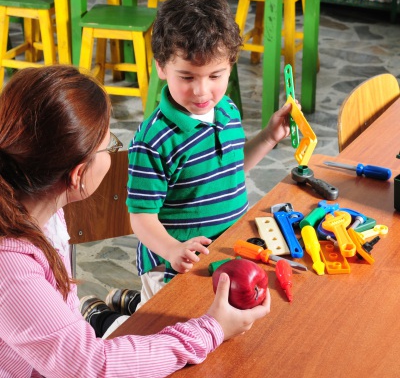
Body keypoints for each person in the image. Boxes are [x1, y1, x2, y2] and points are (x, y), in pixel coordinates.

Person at [0, 65, 270, 377]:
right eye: (107, 146)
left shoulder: (31, 200)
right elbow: (95, 366)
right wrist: (211, 330)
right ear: (77, 176)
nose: (112, 154)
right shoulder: (12, 267)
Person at [126, 0, 294, 305]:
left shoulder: (227, 109)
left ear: (231, 63)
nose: (203, 91)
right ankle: (124, 311)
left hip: (227, 257)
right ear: (161, 67)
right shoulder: (154, 141)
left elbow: (232, 169)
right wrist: (172, 250)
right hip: (173, 270)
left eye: (215, 75)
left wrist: (269, 137)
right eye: (187, 77)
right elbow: (141, 218)